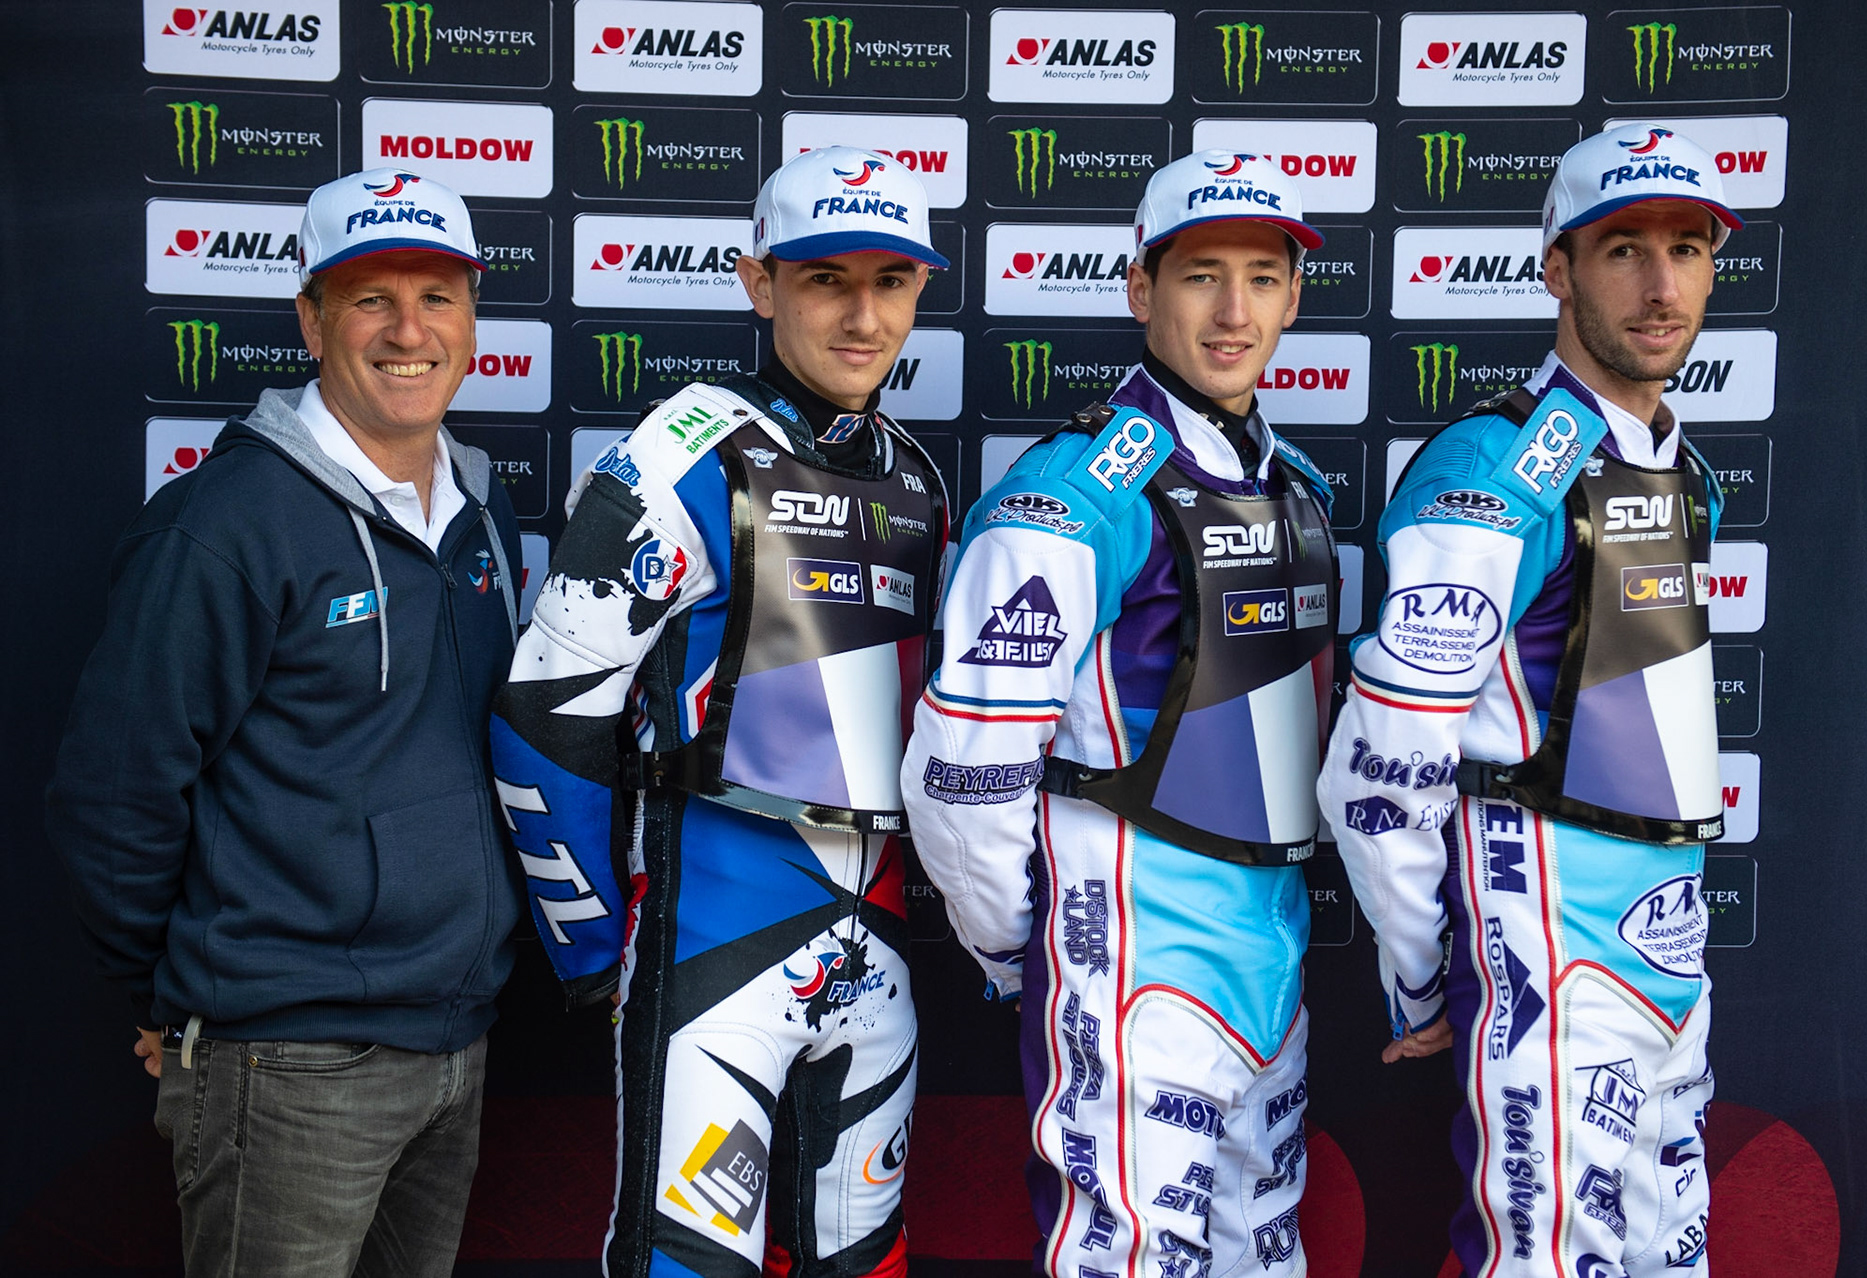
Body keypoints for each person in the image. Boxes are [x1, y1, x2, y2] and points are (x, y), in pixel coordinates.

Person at [45, 168, 523, 1276]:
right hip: (287, 1064)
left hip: (455, 1044)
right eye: (370, 297)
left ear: (472, 318)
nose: (410, 330)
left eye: (438, 295)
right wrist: (176, 998)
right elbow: (114, 795)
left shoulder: (480, 506)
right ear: (310, 318)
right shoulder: (225, 526)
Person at [490, 147, 948, 1278]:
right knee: (688, 1261)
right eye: (825, 279)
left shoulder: (914, 475)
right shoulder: (687, 452)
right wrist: (594, 948)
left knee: (867, 1258)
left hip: (878, 947)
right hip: (713, 950)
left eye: (890, 282)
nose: (861, 314)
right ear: (759, 285)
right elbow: (542, 713)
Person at [902, 150, 1335, 1278]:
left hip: (1270, 961)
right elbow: (961, 773)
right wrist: (1028, 956)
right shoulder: (1076, 493)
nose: (1234, 311)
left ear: (1294, 293)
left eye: (1262, 275)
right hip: (1132, 962)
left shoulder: (1297, 490)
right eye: (1200, 276)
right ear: (1141, 290)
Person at [1316, 123, 1738, 1275]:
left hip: (1668, 946)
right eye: (1623, 251)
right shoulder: (1497, 468)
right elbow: (1378, 772)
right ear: (1556, 267)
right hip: (1548, 948)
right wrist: (1419, 978)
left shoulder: (1670, 461)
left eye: (1688, 249)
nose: (1662, 287)